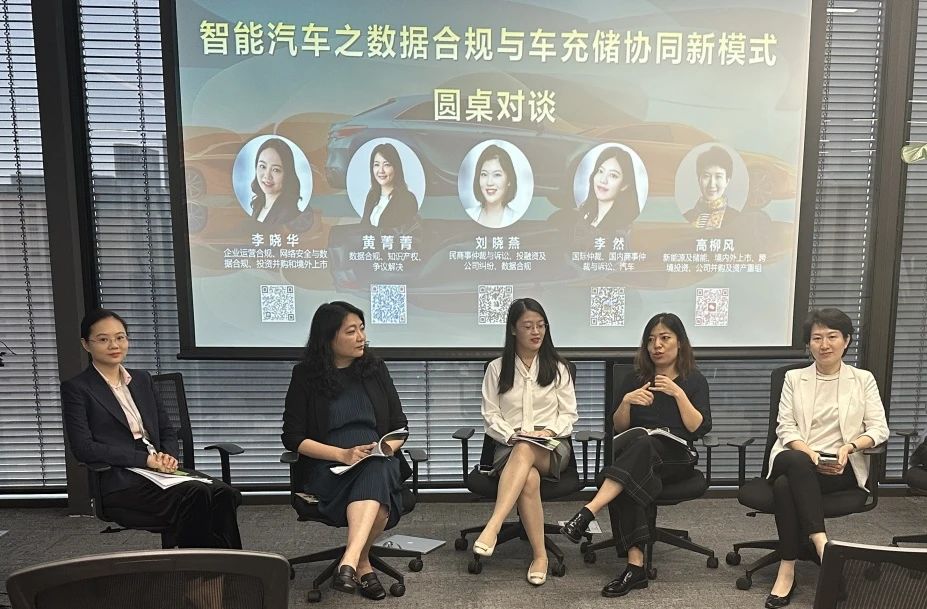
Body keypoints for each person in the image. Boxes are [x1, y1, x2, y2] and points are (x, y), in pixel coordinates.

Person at [61, 309, 242, 549]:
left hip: (159, 470)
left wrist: (168, 457)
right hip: (121, 478)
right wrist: (145, 460)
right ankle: (198, 569)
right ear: (86, 344)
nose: (114, 345)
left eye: (120, 337)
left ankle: (231, 566)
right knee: (196, 494)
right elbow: (84, 448)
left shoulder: (142, 379)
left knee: (224, 493)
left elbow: (167, 429)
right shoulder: (78, 388)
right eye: (103, 339)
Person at [560, 312, 711, 598]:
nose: (657, 345)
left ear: (680, 342)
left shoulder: (694, 380)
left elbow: (697, 428)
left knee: (639, 451)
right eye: (651, 340)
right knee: (636, 462)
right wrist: (627, 402)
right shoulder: (635, 379)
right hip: (641, 458)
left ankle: (589, 510)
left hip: (677, 458)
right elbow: (619, 427)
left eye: (665, 338)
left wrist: (678, 394)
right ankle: (635, 567)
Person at [282, 301, 411, 600]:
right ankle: (361, 564)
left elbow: (400, 426)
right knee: (379, 498)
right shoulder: (305, 376)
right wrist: (342, 455)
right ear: (329, 338)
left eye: (362, 329)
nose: (361, 337)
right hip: (331, 467)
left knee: (377, 467)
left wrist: (385, 448)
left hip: (378, 459)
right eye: (351, 331)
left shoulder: (375, 369)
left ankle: (351, 561)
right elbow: (293, 438)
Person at [762, 308, 888, 609]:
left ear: (847, 340)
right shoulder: (794, 378)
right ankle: (821, 544)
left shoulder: (863, 380)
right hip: (795, 455)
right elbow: (785, 427)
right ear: (809, 344)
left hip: (839, 467)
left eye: (832, 336)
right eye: (816, 338)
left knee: (784, 487)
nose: (824, 344)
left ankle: (787, 569)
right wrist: (810, 454)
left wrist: (849, 448)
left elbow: (879, 429)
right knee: (796, 463)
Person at [472, 298, 578, 586]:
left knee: (526, 449)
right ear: (513, 330)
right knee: (528, 476)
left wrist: (549, 432)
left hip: (551, 446)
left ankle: (493, 526)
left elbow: (569, 414)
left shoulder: (558, 367)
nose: (536, 332)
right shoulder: (497, 368)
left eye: (541, 326)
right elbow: (490, 414)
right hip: (510, 444)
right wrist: (511, 434)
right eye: (528, 326)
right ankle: (540, 556)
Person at [575, 147, 640, 238]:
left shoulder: (623, 229)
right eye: (600, 171)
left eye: (613, 175)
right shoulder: (583, 216)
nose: (603, 180)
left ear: (624, 185)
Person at [360, 143, 419, 232]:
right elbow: (363, 227)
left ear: (396, 168)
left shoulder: (407, 199)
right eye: (376, 165)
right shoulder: (372, 195)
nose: (381, 170)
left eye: (387, 165)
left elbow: (408, 234)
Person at [250, 137, 303, 225]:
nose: (267, 176)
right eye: (262, 166)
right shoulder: (258, 204)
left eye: (276, 170)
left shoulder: (290, 214)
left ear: (287, 174)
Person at [684, 145, 738, 230]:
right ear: (699, 179)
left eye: (718, 177)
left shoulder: (736, 218)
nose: (712, 184)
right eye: (706, 176)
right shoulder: (687, 217)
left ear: (727, 181)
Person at [468, 144, 519, 228]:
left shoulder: (518, 219)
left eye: (497, 175)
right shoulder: (467, 215)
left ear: (509, 180)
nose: (489, 182)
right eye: (484, 174)